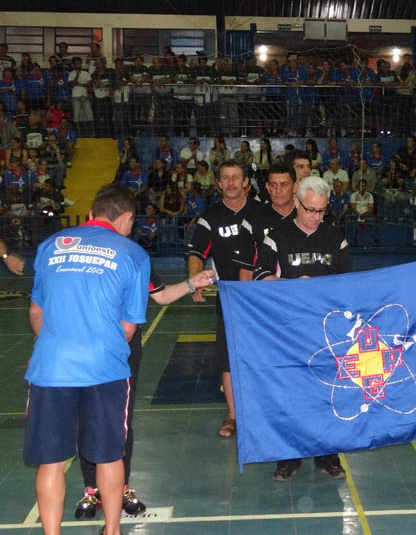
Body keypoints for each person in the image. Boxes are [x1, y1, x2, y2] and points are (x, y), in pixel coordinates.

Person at [23, 184, 150, 535]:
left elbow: (36, 313)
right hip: (103, 368)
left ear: (94, 212)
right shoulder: (133, 254)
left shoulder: (50, 246)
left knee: (51, 461)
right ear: (126, 218)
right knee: (109, 455)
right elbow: (128, 326)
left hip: (51, 367)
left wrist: (59, 344)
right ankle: (111, 530)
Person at [75, 267, 214, 520]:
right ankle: (92, 489)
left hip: (124, 348)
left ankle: (121, 487)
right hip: (82, 343)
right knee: (87, 416)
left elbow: (161, 295)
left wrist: (192, 283)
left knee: (121, 419)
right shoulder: (79, 258)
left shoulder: (134, 258)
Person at [251, 176, 352, 482]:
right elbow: (260, 277)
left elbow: (349, 284)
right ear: (296, 202)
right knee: (289, 395)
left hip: (326, 331)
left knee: (327, 394)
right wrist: (293, 285)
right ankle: (288, 456)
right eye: (310, 209)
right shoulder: (277, 237)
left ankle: (327, 454)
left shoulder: (336, 238)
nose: (316, 217)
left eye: (322, 211)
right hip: (288, 332)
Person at [186, 160, 265, 438]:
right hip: (231, 299)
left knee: (265, 355)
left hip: (266, 298)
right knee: (228, 358)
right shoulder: (210, 218)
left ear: (246, 182)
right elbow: (196, 253)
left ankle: (265, 412)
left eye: (236, 177)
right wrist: (194, 280)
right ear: (218, 183)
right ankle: (233, 417)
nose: (231, 183)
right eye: (225, 178)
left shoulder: (263, 213)